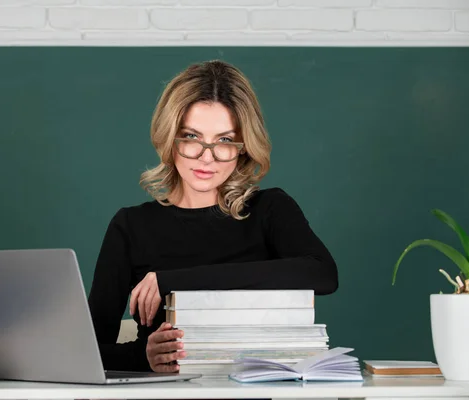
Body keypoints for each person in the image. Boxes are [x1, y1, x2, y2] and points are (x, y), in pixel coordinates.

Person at [87, 60, 338, 373]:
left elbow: (322, 274)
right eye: (191, 137)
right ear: (169, 137)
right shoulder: (131, 226)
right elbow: (87, 351)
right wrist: (143, 358)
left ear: (243, 146)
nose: (207, 157)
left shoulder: (269, 209)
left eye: (224, 140)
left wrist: (170, 281)